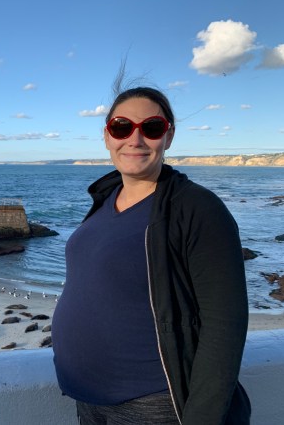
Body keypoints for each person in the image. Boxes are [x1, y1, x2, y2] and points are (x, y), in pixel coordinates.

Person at [52, 84, 251, 424]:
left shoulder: (196, 208)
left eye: (152, 127)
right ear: (107, 136)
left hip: (151, 404)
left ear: (168, 136)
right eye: (121, 127)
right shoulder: (105, 198)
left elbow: (225, 323)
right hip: (88, 397)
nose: (135, 139)